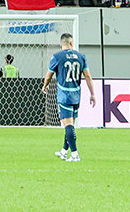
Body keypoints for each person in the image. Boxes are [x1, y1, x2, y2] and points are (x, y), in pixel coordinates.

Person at [42, 32, 95, 162]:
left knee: (68, 125)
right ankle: (64, 151)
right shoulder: (81, 57)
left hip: (64, 94)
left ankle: (75, 154)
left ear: (61, 44)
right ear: (71, 43)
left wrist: (45, 85)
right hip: (76, 94)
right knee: (70, 123)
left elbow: (49, 76)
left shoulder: (57, 56)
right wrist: (92, 94)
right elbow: (88, 76)